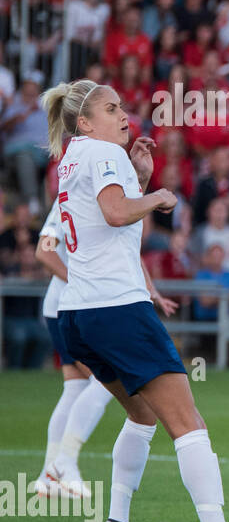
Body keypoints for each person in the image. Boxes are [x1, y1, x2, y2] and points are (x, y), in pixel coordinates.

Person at [41, 78, 229, 522]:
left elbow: (109, 226)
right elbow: (115, 211)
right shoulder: (103, 154)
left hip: (80, 315)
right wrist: (161, 196)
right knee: (188, 423)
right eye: (111, 108)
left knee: (143, 417)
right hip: (119, 310)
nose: (123, 114)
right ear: (85, 122)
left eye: (122, 106)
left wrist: (140, 182)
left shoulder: (75, 157)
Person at [29, 198, 131, 499]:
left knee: (75, 388)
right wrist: (80, 280)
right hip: (68, 306)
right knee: (106, 381)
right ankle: (64, 463)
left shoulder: (91, 196)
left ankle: (48, 474)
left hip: (68, 306)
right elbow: (44, 251)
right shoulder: (74, 198)